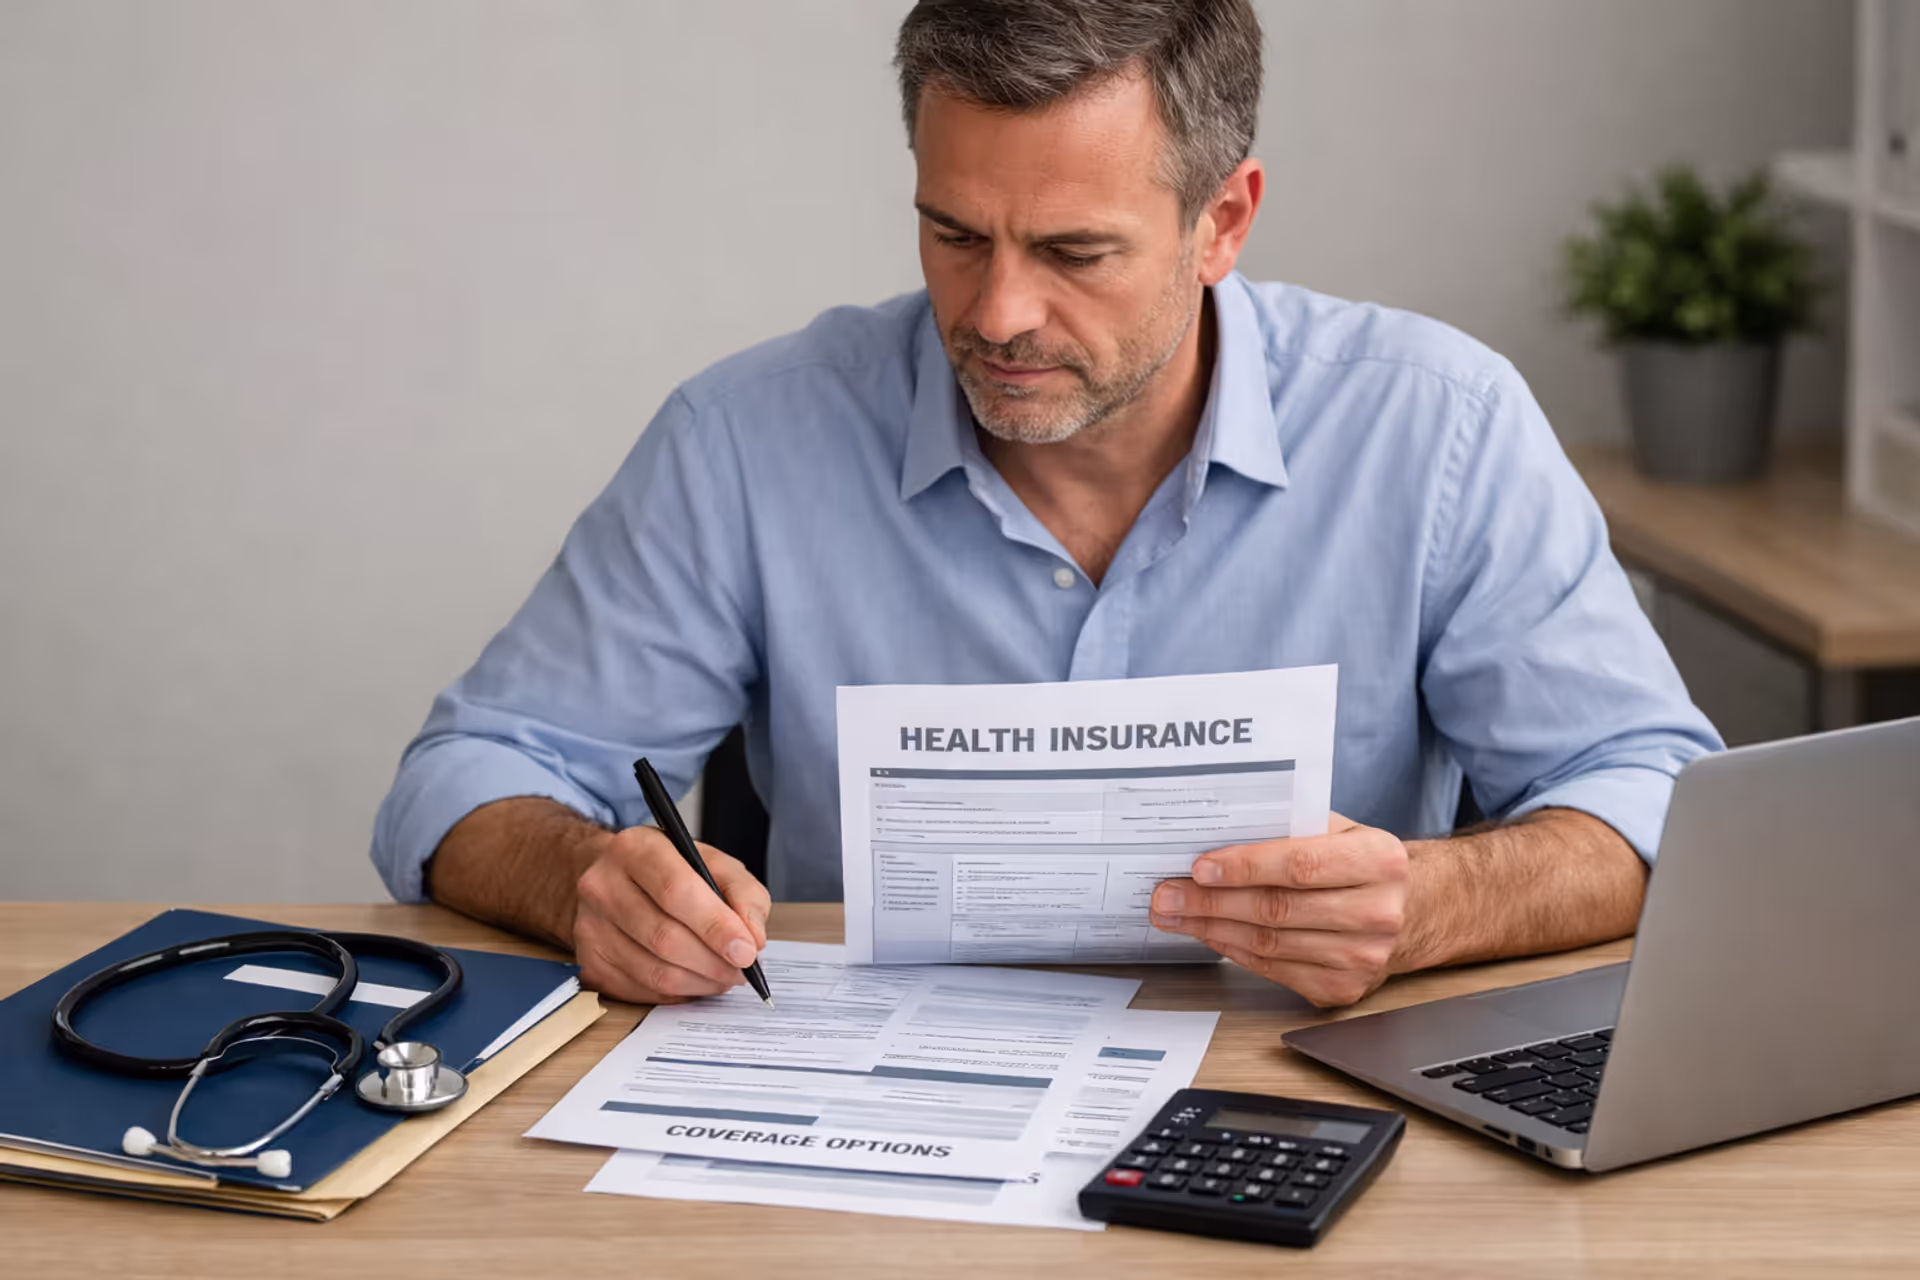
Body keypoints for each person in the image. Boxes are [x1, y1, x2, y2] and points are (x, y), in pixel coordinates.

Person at [371, 0, 1720, 1009]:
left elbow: (1659, 797)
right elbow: (465, 779)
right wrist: (587, 881)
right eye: (955, 234)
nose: (999, 314)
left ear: (1224, 222)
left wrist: (1431, 904)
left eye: (1075, 251)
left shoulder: (1437, 425)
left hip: (1300, 1115)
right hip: (867, 1130)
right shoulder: (746, 439)